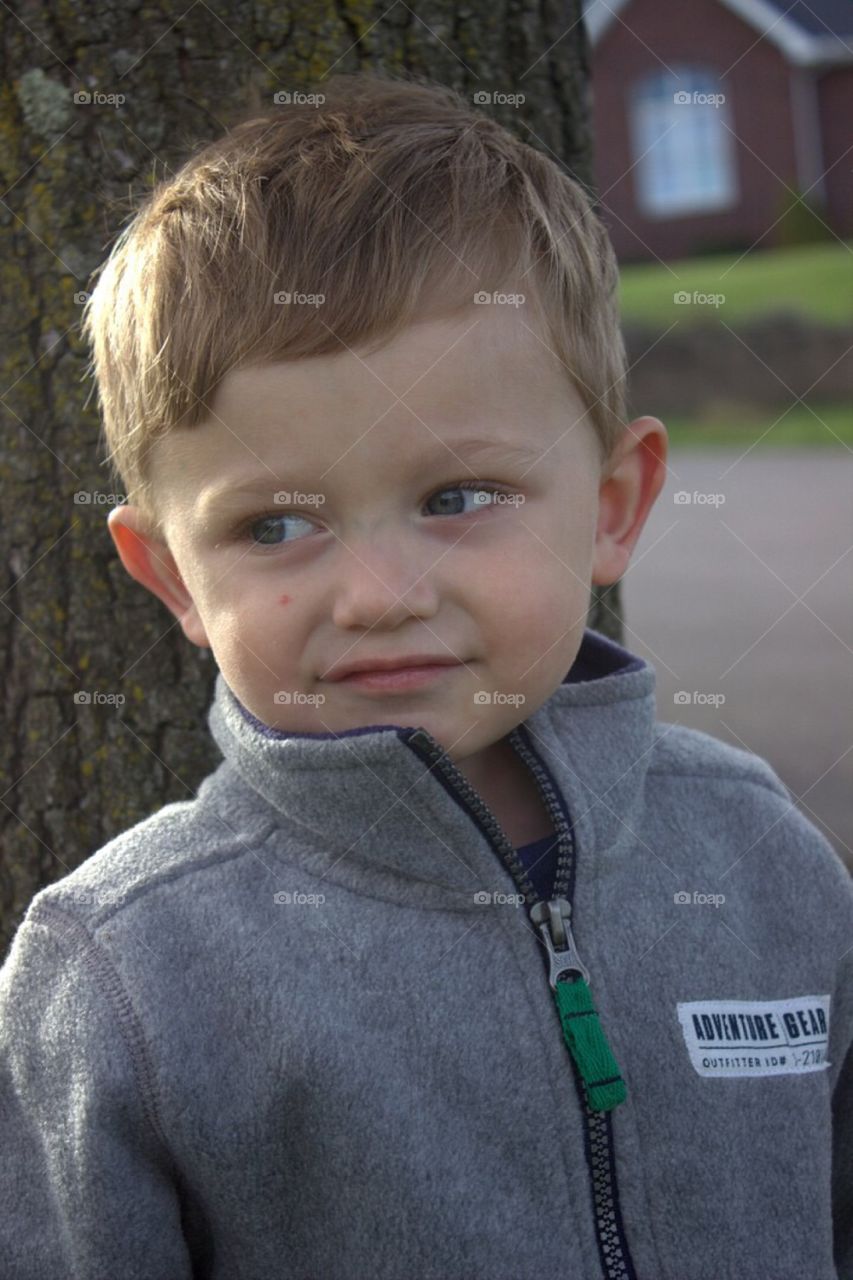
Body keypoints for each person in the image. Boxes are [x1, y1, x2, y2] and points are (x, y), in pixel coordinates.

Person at [0, 71, 850, 1280]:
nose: (381, 592)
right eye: (276, 527)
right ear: (174, 578)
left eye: (459, 498)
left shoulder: (763, 858)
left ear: (613, 506)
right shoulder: (126, 974)